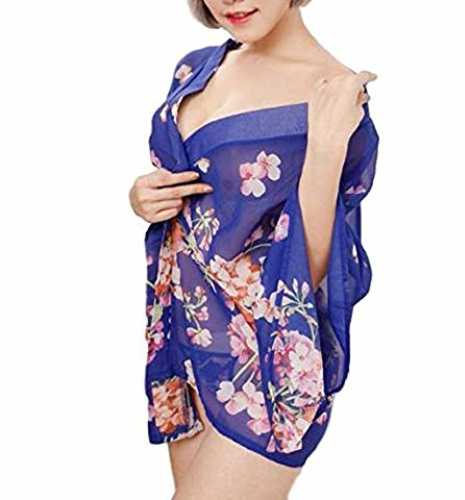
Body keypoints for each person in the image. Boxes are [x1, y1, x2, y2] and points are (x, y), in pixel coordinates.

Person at [128, 1, 379, 498]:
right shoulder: (197, 68)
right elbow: (203, 200)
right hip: (188, 341)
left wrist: (325, 152)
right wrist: (142, 196)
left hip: (263, 357)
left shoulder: (330, 92)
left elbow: (312, 272)